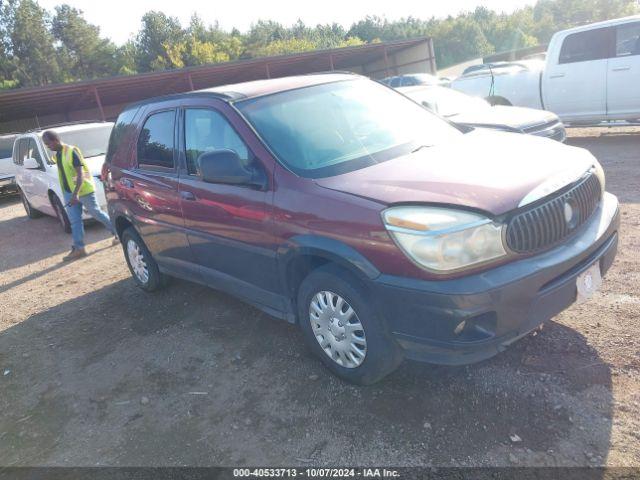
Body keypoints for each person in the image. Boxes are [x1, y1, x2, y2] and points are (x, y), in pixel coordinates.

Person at [42, 130, 117, 261]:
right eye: (46, 145)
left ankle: (118, 232)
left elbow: (80, 174)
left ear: (55, 140)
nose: (48, 147)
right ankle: (79, 248)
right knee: (75, 221)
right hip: (68, 193)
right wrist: (69, 194)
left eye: (48, 144)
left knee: (96, 213)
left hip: (83, 191)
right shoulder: (58, 155)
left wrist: (75, 194)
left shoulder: (71, 151)